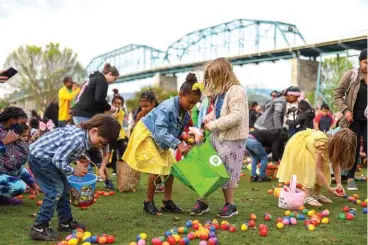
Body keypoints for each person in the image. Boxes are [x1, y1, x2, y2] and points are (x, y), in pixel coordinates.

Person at [28, 114, 121, 241]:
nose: (100, 146)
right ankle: (39, 227)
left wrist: (79, 157)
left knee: (65, 188)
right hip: (41, 159)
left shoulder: (83, 135)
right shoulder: (77, 139)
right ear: (94, 131)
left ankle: (65, 221)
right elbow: (59, 159)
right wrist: (74, 171)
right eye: (100, 142)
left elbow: (64, 149)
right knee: (55, 190)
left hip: (48, 159)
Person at [122, 73, 201, 216]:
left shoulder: (186, 114)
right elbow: (159, 130)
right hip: (148, 133)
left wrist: (183, 137)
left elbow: (175, 130)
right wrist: (178, 144)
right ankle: (148, 202)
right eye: (190, 102)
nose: (192, 105)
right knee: (156, 167)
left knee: (171, 168)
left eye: (195, 103)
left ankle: (167, 201)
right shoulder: (168, 107)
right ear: (180, 95)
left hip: (159, 137)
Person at [190, 57, 248, 218]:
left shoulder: (237, 90)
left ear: (223, 74)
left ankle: (231, 204)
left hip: (232, 138)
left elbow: (237, 116)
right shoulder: (221, 92)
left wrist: (214, 124)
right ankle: (202, 201)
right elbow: (220, 111)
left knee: (228, 170)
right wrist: (210, 116)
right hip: (218, 137)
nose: (212, 80)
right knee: (210, 166)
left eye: (214, 76)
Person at [277, 128, 356, 207]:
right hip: (301, 144)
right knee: (312, 165)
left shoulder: (334, 148)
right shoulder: (322, 144)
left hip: (311, 146)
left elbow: (335, 164)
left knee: (324, 166)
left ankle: (316, 194)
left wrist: (339, 183)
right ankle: (307, 196)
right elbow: (319, 170)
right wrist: (329, 188)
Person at [72, 63, 120, 185]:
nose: (113, 82)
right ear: (109, 74)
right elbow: (99, 99)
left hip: (81, 113)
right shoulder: (102, 80)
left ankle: (102, 177)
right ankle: (85, 180)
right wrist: (111, 108)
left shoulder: (94, 79)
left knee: (93, 147)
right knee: (85, 146)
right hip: (85, 114)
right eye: (114, 79)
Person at [334, 48, 367, 191]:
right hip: (353, 119)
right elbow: (337, 94)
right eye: (366, 62)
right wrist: (346, 110)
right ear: (360, 62)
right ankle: (351, 177)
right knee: (352, 148)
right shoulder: (352, 75)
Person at [0, 107, 40, 205]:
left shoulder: (10, 133)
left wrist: (31, 183)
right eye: (21, 123)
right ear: (12, 120)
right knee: (18, 186)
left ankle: (2, 198)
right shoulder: (6, 135)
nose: (24, 127)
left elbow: (14, 166)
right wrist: (4, 141)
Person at [109, 95, 127, 176]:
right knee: (111, 153)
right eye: (115, 103)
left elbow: (115, 120)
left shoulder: (122, 112)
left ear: (122, 105)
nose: (117, 105)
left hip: (120, 136)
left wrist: (115, 112)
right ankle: (114, 170)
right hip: (111, 135)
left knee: (122, 152)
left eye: (119, 103)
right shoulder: (109, 111)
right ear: (112, 103)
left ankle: (123, 169)